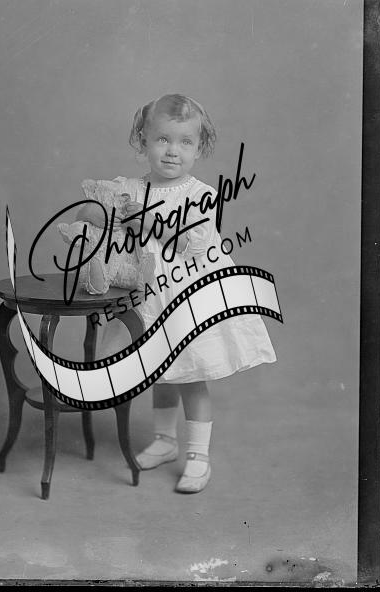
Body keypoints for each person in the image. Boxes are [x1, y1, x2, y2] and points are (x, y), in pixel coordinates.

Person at [77, 94, 276, 493]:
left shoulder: (200, 195)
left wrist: (143, 218)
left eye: (185, 142)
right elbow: (87, 212)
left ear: (199, 148)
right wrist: (108, 212)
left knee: (191, 375)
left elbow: (189, 242)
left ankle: (198, 456)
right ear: (143, 140)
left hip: (185, 297)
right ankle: (165, 441)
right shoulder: (129, 188)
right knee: (160, 373)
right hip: (146, 296)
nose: (172, 151)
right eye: (163, 139)